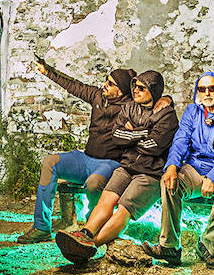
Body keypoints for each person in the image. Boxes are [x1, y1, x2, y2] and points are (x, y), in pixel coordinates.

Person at [55, 70, 178, 264]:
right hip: (126, 166)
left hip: (150, 173)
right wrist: (144, 132)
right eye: (134, 87)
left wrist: (133, 133)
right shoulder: (129, 108)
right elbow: (117, 137)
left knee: (123, 209)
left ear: (153, 91)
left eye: (141, 88)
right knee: (107, 199)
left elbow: (153, 146)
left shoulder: (166, 114)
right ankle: (84, 233)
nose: (135, 91)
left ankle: (90, 245)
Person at [14, 59, 137, 243]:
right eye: (106, 80)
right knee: (50, 162)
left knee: (94, 184)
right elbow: (73, 85)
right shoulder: (97, 96)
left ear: (120, 91)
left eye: (110, 84)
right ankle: (41, 227)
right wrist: (48, 71)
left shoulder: (131, 108)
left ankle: (94, 224)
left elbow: (154, 101)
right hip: (85, 158)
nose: (105, 85)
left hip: (110, 163)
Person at [143, 70, 214, 270]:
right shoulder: (192, 112)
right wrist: (172, 166)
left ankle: (208, 246)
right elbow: (180, 141)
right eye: (202, 89)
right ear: (198, 92)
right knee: (169, 183)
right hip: (195, 168)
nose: (207, 93)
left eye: (212, 88)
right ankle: (170, 247)